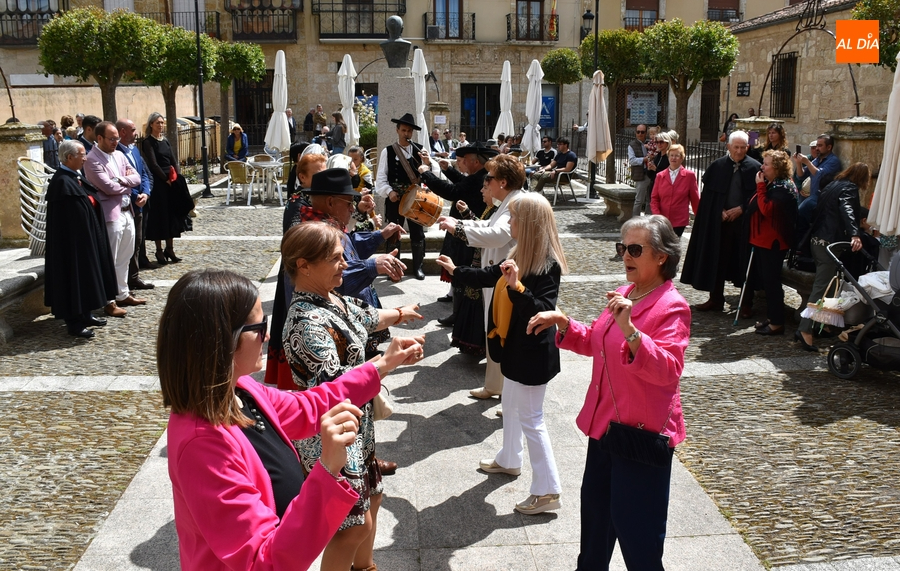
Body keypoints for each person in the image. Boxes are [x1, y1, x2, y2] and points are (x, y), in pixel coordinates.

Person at [160, 268, 424, 571]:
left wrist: (381, 366)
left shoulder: (238, 389)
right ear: (223, 339)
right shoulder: (202, 444)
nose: (268, 336)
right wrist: (327, 469)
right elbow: (264, 562)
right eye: (260, 326)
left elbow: (307, 407)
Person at [528, 215, 690, 571]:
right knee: (595, 534)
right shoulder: (627, 293)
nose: (626, 256)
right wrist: (565, 324)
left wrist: (632, 330)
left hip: (640, 437)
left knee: (639, 542)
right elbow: (598, 340)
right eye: (622, 248)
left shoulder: (672, 306)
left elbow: (668, 369)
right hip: (604, 429)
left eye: (635, 249)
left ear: (662, 256)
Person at [281, 222, 423, 571]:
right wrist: (386, 363)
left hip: (356, 426)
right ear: (304, 265)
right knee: (350, 525)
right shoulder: (304, 321)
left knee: (373, 498)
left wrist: (403, 314)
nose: (345, 263)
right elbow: (334, 385)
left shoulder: (331, 298)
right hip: (329, 437)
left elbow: (367, 317)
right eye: (335, 259)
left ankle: (366, 567)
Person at [437, 193, 568, 515]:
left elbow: (543, 311)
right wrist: (456, 271)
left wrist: (517, 287)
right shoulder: (519, 251)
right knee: (509, 406)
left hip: (534, 354)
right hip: (514, 349)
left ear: (530, 224)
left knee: (532, 418)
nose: (509, 223)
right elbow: (488, 275)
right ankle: (510, 459)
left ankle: (548, 490)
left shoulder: (547, 264)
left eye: (514, 218)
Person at [437, 154, 523, 400]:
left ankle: (507, 392)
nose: (487, 183)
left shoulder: (516, 203)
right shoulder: (507, 202)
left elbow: (497, 235)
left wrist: (459, 228)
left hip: (506, 277)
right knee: (493, 330)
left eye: (491, 178)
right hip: (496, 276)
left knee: (502, 332)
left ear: (503, 182)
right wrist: (458, 223)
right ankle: (494, 385)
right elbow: (488, 227)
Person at [681, 131, 760, 315]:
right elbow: (709, 197)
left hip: (744, 224)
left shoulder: (755, 167)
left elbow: (758, 197)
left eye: (743, 147)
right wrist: (719, 211)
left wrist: (741, 208)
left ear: (747, 147)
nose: (739, 151)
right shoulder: (717, 167)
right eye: (736, 147)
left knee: (744, 261)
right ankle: (716, 299)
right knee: (717, 258)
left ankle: (746, 303)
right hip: (720, 224)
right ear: (728, 147)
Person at [43, 140, 117, 338]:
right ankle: (74, 322)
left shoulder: (75, 178)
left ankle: (86, 313)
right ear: (69, 158)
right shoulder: (61, 182)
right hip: (71, 247)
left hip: (85, 241)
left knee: (86, 277)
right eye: (82, 154)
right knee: (73, 279)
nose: (85, 158)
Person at [417, 142, 494, 325]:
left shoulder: (478, 178)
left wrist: (425, 173)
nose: (459, 164)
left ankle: (458, 314)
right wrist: (448, 170)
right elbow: (462, 183)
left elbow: (453, 191)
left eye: (461, 161)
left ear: (474, 162)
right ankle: (457, 307)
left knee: (460, 269)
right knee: (459, 269)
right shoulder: (477, 175)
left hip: (468, 231)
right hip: (467, 228)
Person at [795, 163, 869, 352]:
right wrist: (854, 233)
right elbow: (847, 209)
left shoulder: (833, 185)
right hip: (829, 243)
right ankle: (805, 330)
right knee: (822, 286)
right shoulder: (850, 188)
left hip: (818, 240)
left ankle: (821, 325)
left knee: (828, 285)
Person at [84, 121, 146, 316]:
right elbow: (107, 187)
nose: (115, 142)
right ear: (99, 138)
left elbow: (137, 177)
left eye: (117, 139)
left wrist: (120, 181)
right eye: (112, 139)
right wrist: (126, 184)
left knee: (126, 255)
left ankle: (122, 293)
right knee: (111, 257)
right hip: (111, 214)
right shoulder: (92, 159)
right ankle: (108, 300)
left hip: (128, 210)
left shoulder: (119, 154)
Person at [747, 150, 799, 336]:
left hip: (773, 243)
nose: (762, 167)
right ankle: (772, 317)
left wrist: (760, 186)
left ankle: (777, 323)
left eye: (766, 164)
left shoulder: (784, 188)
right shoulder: (774, 184)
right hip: (764, 241)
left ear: (776, 168)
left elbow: (766, 209)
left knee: (772, 283)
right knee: (767, 282)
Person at [374, 113, 427, 279]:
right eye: (403, 130)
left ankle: (418, 266)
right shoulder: (388, 151)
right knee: (394, 234)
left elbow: (430, 175)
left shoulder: (420, 150)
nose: (406, 134)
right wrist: (389, 192)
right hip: (395, 200)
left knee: (417, 233)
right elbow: (381, 178)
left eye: (409, 131)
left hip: (415, 200)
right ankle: (394, 269)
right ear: (397, 130)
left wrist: (427, 165)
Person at [142, 112, 194, 265]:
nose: (160, 125)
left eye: (162, 122)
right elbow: (153, 164)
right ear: (151, 124)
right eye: (158, 122)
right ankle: (158, 250)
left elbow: (173, 159)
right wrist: (165, 180)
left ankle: (169, 248)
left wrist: (176, 177)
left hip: (171, 181)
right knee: (160, 216)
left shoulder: (165, 140)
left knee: (172, 215)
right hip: (159, 183)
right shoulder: (148, 142)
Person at [116, 118, 157, 281]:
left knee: (138, 240)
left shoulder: (134, 150)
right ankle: (125, 279)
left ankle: (134, 277)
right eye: (133, 130)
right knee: (127, 244)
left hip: (140, 202)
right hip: (126, 203)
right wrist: (135, 196)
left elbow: (144, 174)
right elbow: (119, 179)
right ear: (123, 132)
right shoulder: (116, 152)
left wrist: (145, 193)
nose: (136, 133)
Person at [650, 144, 699, 237]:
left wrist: (699, 217)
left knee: (673, 245)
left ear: (682, 158)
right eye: (671, 155)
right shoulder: (660, 176)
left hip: (679, 220)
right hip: (662, 220)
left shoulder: (689, 176)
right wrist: (657, 216)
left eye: (677, 155)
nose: (674, 158)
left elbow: (695, 199)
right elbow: (654, 198)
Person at [795, 134, 842, 225]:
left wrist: (807, 162)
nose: (817, 148)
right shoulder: (817, 160)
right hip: (812, 197)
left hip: (821, 200)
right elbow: (801, 175)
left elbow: (819, 175)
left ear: (829, 147)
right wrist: (798, 163)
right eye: (816, 145)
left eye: (820, 146)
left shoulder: (833, 161)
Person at [627, 125, 651, 217]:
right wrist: (644, 159)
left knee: (650, 199)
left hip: (651, 173)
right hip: (641, 174)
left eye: (642, 132)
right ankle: (635, 219)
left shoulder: (651, 143)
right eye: (638, 132)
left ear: (646, 133)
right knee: (639, 199)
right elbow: (632, 160)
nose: (640, 134)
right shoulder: (632, 145)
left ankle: (649, 219)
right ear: (635, 133)